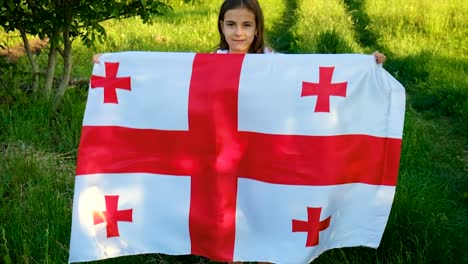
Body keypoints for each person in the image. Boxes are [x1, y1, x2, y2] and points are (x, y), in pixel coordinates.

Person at [92, 1, 386, 263]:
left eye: (247, 25)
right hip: (223, 155)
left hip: (263, 156)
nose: (239, 33)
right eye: (231, 24)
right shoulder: (209, 64)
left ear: (257, 28)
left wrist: (366, 65)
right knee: (228, 217)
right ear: (221, 26)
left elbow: (301, 88)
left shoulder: (274, 66)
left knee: (262, 209)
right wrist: (111, 66)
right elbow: (170, 85)